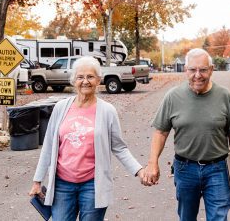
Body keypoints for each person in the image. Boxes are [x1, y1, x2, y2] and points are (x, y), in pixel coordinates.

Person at [29, 56, 144, 221]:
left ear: (98, 80)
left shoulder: (107, 111)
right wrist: (37, 180)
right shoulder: (61, 108)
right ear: (73, 80)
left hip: (93, 185)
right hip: (62, 185)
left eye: (90, 76)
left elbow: (119, 147)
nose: (85, 81)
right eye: (80, 77)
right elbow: (48, 146)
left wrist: (138, 170)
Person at [143, 48, 230, 221]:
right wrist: (152, 163)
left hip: (217, 170)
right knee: (186, 217)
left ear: (211, 70)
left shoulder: (224, 96)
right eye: (192, 70)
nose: (198, 75)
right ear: (185, 70)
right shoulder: (173, 97)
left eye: (203, 70)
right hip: (185, 169)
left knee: (219, 217)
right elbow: (160, 132)